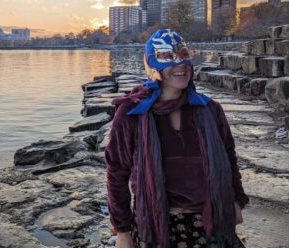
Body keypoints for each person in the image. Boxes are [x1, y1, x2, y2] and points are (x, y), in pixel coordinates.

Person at [105, 29, 248, 248]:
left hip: (211, 221)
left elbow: (229, 159)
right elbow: (116, 172)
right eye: (167, 57)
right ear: (152, 64)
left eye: (183, 54)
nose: (180, 64)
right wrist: (122, 231)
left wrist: (236, 200)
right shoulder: (132, 114)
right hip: (156, 224)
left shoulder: (210, 110)